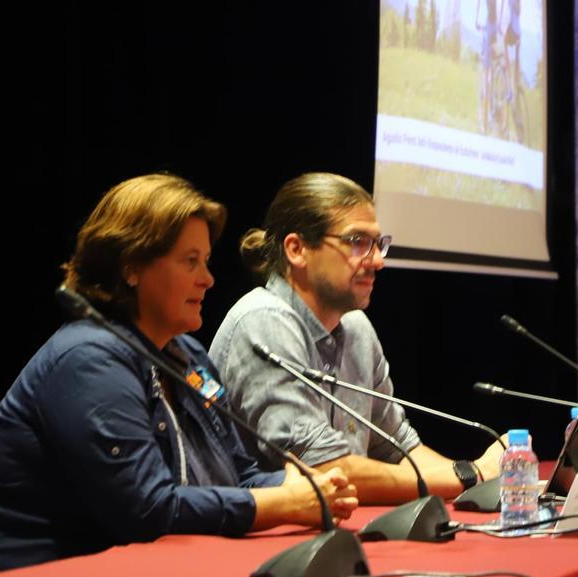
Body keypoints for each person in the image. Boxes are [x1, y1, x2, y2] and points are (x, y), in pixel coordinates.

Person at [0, 174, 357, 577]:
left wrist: (302, 485)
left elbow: (239, 475)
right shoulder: (88, 361)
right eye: (190, 261)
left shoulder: (187, 356)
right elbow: (147, 509)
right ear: (131, 266)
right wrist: (282, 503)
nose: (208, 279)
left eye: (206, 261)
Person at [209, 173, 503, 506]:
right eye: (357, 242)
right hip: (262, 546)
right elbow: (323, 469)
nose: (378, 260)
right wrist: (471, 474)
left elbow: (399, 450)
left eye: (378, 243)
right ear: (297, 249)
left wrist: (485, 484)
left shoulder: (356, 328)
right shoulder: (264, 321)